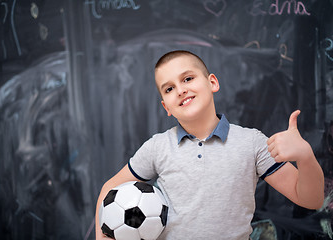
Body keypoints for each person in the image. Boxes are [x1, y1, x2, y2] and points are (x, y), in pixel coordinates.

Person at [95, 50, 324, 239]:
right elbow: (109, 189)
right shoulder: (157, 147)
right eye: (169, 88)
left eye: (187, 78)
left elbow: (310, 199)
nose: (181, 90)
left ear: (212, 82)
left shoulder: (251, 142)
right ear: (166, 107)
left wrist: (305, 157)